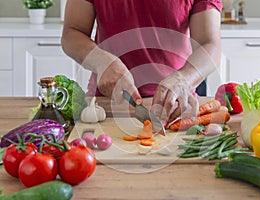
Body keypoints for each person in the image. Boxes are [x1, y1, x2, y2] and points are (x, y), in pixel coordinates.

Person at [61, 0, 222, 124]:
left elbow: (209, 44)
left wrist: (184, 79)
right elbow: (72, 32)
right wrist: (102, 61)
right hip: (106, 104)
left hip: (175, 106)